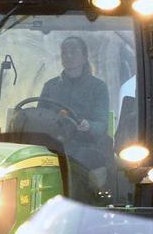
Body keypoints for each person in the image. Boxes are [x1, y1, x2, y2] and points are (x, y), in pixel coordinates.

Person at [39, 36, 110, 168]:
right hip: (53, 145)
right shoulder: (50, 86)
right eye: (64, 52)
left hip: (86, 144)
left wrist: (88, 125)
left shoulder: (98, 87)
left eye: (74, 51)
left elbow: (101, 124)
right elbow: (39, 117)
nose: (68, 56)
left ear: (84, 58)